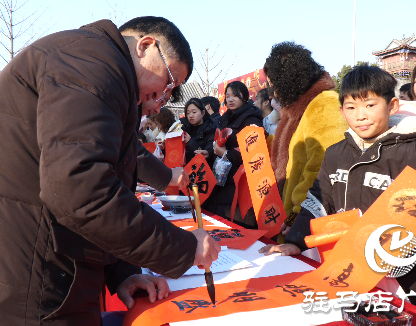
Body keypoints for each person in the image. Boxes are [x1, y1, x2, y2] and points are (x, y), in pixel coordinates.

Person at [0, 16, 221, 326]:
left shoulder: (96, 66)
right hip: (37, 280)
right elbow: (82, 190)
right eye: (168, 81)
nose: (163, 96)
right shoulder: (91, 65)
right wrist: (185, 248)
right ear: (145, 46)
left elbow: (111, 173)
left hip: (55, 263)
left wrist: (123, 273)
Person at [260, 65, 416, 312]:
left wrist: (406, 251)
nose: (361, 115)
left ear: (392, 106)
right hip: (345, 272)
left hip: (407, 281)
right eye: (351, 108)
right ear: (341, 111)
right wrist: (297, 241)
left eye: (370, 105)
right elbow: (318, 200)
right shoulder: (336, 154)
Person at [263, 41, 348, 236]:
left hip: (306, 223)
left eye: (275, 84)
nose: (274, 92)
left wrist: (299, 218)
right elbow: (289, 156)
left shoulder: (324, 104)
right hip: (289, 219)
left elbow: (321, 170)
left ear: (290, 78)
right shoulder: (294, 110)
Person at [204, 81, 263, 225]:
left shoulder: (251, 119)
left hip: (239, 181)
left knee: (236, 224)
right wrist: (211, 152)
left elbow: (255, 153)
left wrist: (226, 153)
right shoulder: (226, 119)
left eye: (235, 95)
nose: (230, 99)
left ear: (244, 97)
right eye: (228, 96)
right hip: (223, 178)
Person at [182, 98, 216, 166]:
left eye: (194, 112)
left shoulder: (211, 129)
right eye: (188, 113)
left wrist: (190, 142)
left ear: (203, 113)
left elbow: (208, 153)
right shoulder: (184, 129)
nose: (190, 116)